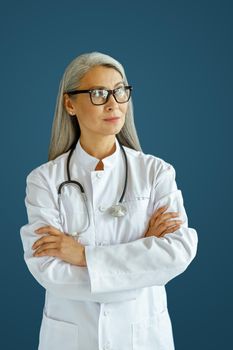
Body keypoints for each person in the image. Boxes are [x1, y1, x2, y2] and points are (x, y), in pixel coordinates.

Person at [20, 51, 198, 350]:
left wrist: (83, 257)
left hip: (143, 335)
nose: (113, 102)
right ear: (69, 104)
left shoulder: (156, 172)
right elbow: (49, 272)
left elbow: (178, 252)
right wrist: (143, 257)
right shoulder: (44, 180)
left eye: (119, 91)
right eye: (99, 93)